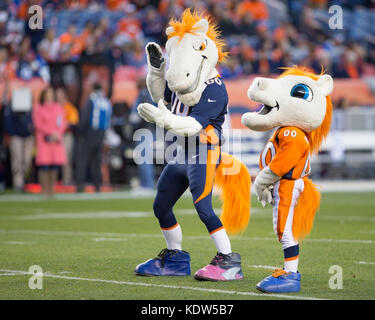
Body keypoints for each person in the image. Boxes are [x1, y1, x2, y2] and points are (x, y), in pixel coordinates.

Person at [76, 82, 112, 192]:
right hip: (101, 133)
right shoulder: (106, 101)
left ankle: (80, 184)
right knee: (97, 161)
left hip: (90, 133)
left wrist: (80, 132)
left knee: (82, 159)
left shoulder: (92, 100)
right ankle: (97, 185)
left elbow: (85, 117)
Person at [33, 86, 67, 197]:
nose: (50, 96)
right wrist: (51, 133)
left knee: (54, 165)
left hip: (56, 140)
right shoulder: (38, 108)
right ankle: (44, 190)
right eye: (48, 93)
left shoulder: (58, 108)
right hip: (44, 140)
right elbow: (38, 124)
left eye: (52, 93)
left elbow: (62, 122)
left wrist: (58, 133)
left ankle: (52, 190)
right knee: (44, 165)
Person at [3, 81, 34, 192]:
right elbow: (8, 121)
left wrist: (31, 130)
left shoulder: (28, 104)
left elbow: (32, 119)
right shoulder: (11, 105)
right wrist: (13, 133)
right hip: (16, 136)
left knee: (26, 160)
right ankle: (18, 184)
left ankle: (24, 181)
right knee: (17, 160)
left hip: (27, 136)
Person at [56, 87, 79, 185]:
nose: (58, 97)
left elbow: (73, 123)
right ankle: (54, 181)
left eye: (60, 95)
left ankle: (67, 180)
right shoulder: (54, 107)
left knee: (66, 159)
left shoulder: (69, 107)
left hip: (66, 135)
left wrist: (63, 126)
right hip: (54, 136)